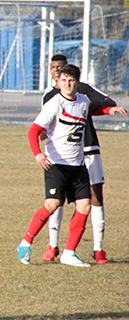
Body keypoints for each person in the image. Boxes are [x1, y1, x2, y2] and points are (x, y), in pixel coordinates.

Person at [17, 64, 126, 267]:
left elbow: (93, 108)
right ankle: (25, 242)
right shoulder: (54, 104)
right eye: (64, 80)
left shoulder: (83, 100)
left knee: (84, 207)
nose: (67, 84)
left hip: (78, 165)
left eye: (71, 80)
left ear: (77, 83)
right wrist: (38, 154)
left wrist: (109, 109)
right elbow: (33, 131)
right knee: (52, 205)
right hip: (56, 164)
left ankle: (68, 252)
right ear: (59, 82)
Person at [41, 55, 120, 264]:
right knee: (57, 200)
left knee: (95, 196)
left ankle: (98, 248)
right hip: (62, 155)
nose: (57, 71)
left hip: (89, 147)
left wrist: (97, 108)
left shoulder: (83, 90)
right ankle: (52, 245)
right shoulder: (49, 96)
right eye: (54, 68)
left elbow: (108, 101)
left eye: (61, 67)